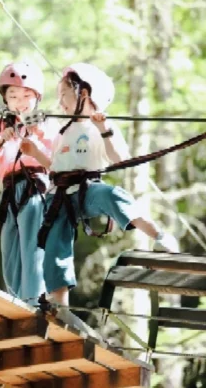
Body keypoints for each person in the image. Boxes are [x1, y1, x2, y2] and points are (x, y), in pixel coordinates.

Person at [33, 63, 178, 305]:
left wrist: (104, 129)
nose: (60, 103)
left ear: (84, 94)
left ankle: (159, 236)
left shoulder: (100, 127)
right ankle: (59, 302)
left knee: (112, 196)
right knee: (54, 241)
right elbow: (55, 165)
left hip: (86, 189)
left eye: (64, 96)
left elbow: (120, 160)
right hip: (59, 194)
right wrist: (35, 153)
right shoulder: (63, 130)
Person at [0, 61, 54, 305]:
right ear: (5, 99)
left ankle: (35, 301)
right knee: (10, 248)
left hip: (35, 186)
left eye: (26, 95)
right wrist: (0, 142)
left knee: (32, 245)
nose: (20, 100)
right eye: (13, 95)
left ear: (37, 97)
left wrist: (35, 134)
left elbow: (54, 157)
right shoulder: (2, 124)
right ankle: (16, 301)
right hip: (9, 188)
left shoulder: (44, 122)